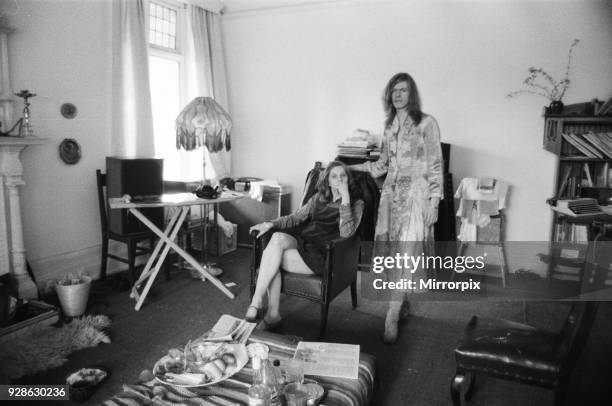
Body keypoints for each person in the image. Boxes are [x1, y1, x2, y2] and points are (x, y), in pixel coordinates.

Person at [350, 72, 443, 344]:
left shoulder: (427, 123)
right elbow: (381, 165)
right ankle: (400, 302)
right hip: (391, 196)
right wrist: (349, 167)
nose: (398, 95)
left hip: (417, 196)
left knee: (408, 252)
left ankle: (392, 313)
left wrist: (433, 202)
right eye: (394, 91)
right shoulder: (389, 126)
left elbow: (436, 164)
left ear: (411, 94)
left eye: (403, 90)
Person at [246, 161, 364, 329]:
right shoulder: (318, 198)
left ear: (348, 179)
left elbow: (346, 233)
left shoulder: (357, 204)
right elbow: (295, 218)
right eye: (334, 176)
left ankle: (271, 314)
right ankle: (258, 301)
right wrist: (269, 223)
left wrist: (345, 198)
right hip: (304, 242)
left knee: (272, 259)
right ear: (328, 181)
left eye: (343, 176)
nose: (339, 179)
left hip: (325, 253)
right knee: (277, 238)